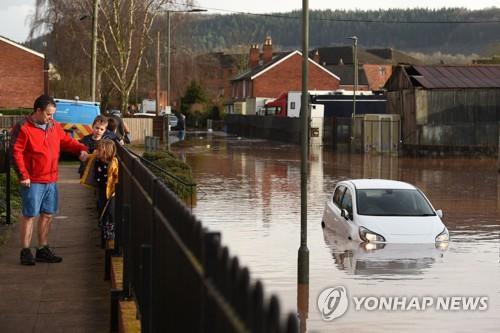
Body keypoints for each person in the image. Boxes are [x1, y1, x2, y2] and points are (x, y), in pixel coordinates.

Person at [11, 94, 89, 265]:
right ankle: (25, 251)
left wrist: (82, 149)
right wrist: (23, 175)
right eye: (48, 114)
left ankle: (42, 249)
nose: (51, 117)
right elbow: (16, 152)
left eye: (53, 114)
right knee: (29, 214)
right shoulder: (23, 127)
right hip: (32, 180)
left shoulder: (54, 125)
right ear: (38, 111)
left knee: (47, 214)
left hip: (51, 178)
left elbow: (67, 141)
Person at [80, 139, 119, 245]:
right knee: (103, 210)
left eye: (99, 150)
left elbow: (116, 176)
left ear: (106, 151)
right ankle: (104, 235)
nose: (97, 151)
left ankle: (110, 235)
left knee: (110, 212)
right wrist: (84, 155)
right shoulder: (96, 159)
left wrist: (115, 187)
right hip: (101, 189)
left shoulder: (113, 162)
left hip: (110, 191)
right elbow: (88, 156)